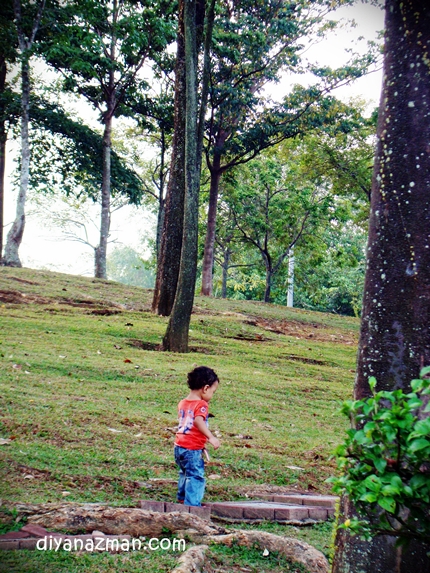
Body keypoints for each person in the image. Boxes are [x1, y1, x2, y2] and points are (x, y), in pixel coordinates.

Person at [174, 366, 220, 506]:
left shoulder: (183, 402)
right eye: (213, 391)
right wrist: (210, 437)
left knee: (184, 473)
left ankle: (181, 498)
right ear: (205, 388)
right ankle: (192, 505)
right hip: (191, 448)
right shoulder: (201, 405)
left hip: (179, 446)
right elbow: (198, 421)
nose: (212, 395)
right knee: (195, 476)